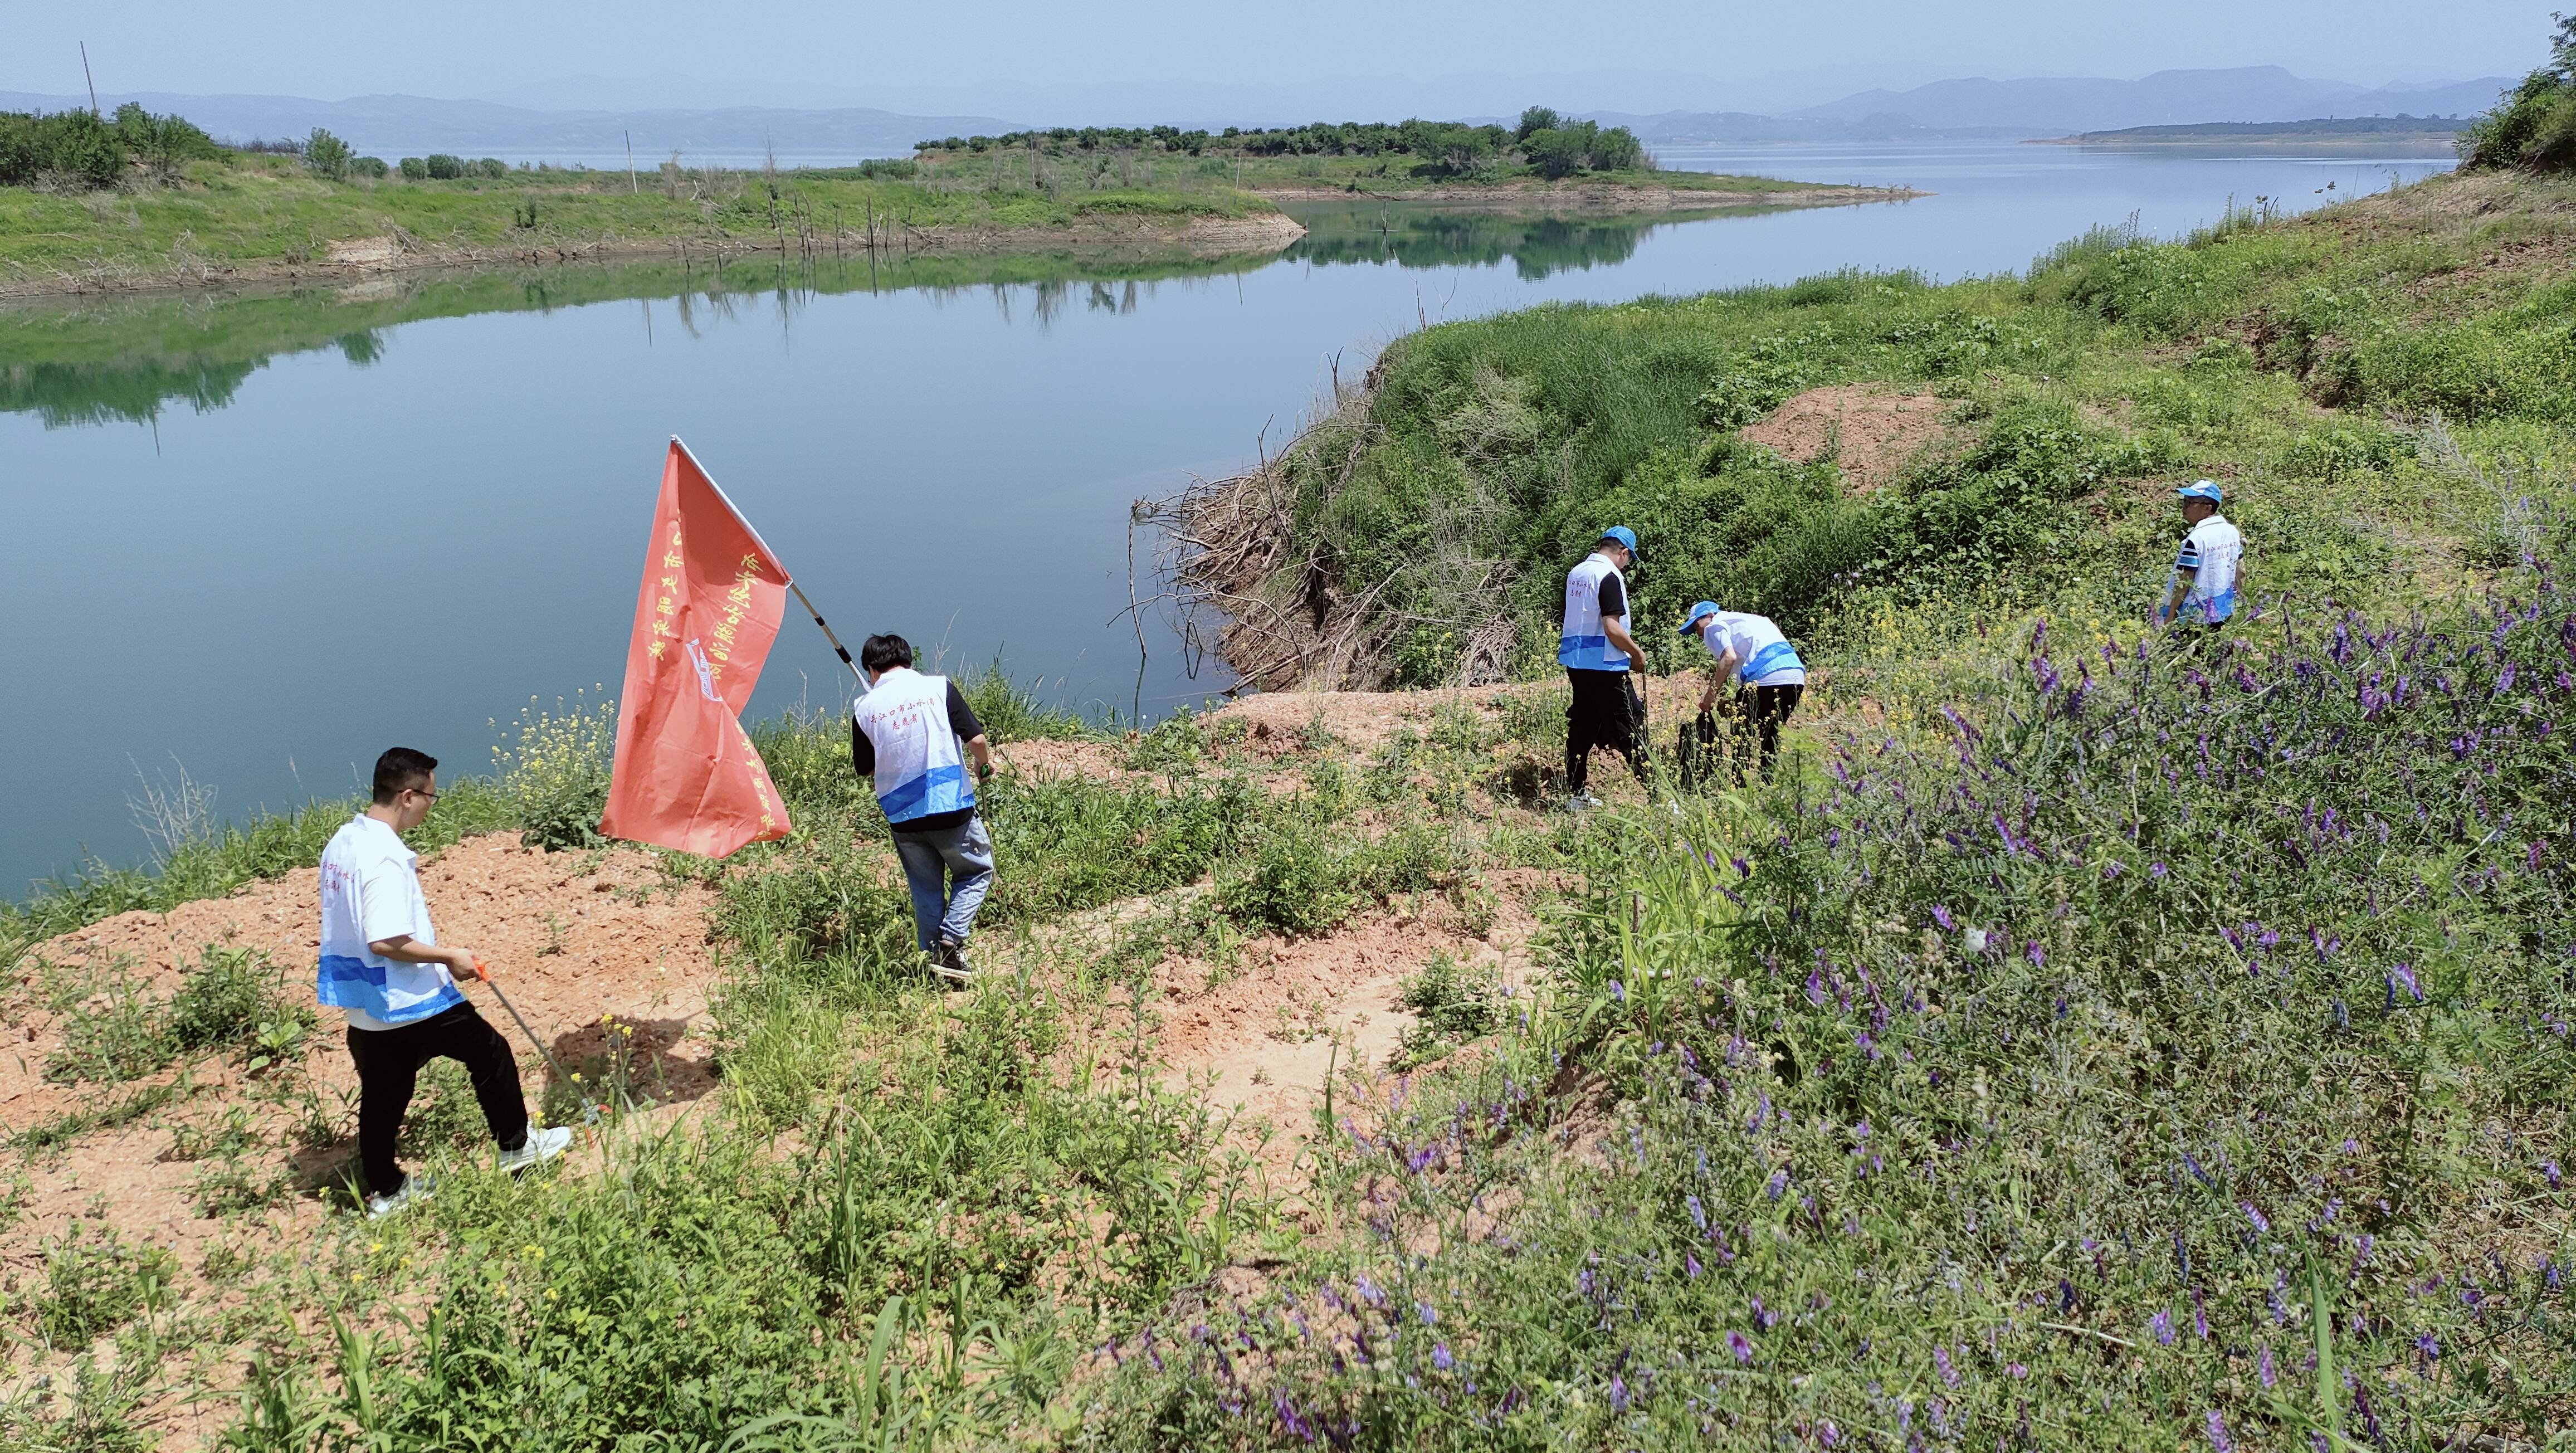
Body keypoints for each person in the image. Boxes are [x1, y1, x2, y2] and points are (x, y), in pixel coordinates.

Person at [318, 748, 571, 1219]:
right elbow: (386, 941)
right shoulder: (385, 858)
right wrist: (450, 956)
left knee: (383, 1097)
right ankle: (516, 1147)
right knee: (489, 1051)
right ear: (408, 796)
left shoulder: (344, 841)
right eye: (431, 797)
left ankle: (387, 1191)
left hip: (365, 999)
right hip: (407, 997)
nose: (432, 806)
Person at [851, 634, 997, 981]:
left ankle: (934, 966)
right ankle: (950, 941)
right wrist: (983, 764)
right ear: (908, 661)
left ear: (872, 670)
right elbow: (975, 739)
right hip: (949, 806)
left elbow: (865, 768)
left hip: (903, 816)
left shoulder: (864, 708)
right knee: (976, 871)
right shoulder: (939, 687)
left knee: (926, 888)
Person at [1559, 525, 1647, 810]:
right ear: (1623, 553)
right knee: (1630, 727)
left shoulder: (1577, 572)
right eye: (1628, 559)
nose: (1627, 564)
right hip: (1607, 666)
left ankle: (1576, 795)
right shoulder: (1609, 576)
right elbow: (1612, 628)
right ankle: (1660, 797)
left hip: (1577, 663)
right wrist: (1636, 654)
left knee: (1583, 726)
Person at [1677, 601, 1806, 783]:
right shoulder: (1753, 620)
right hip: (1795, 679)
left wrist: (1710, 697)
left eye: (1696, 625)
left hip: (1767, 678)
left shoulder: (1715, 625)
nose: (1697, 632)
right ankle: (1766, 788)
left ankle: (1740, 786)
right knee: (1770, 734)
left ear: (1710, 616)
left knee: (1741, 731)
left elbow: (1729, 657)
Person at [2154, 480, 2245, 637]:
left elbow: (2185, 580)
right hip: (2224, 610)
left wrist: (2171, 614)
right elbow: (2241, 571)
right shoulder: (2232, 532)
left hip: (2194, 617)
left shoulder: (2196, 539)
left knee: (2188, 656)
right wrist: (2237, 602)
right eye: (2184, 501)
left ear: (2207, 508)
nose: (2184, 507)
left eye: (2189, 503)